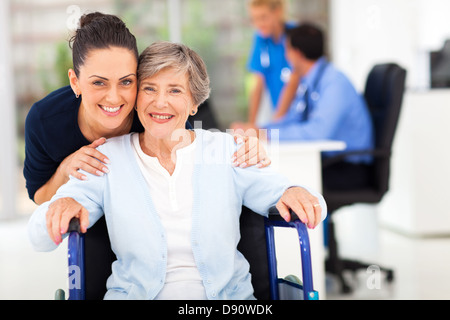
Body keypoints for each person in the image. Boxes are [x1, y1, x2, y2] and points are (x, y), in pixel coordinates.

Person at [28, 41, 327, 300]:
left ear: (194, 103)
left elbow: (310, 203)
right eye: (149, 89)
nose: (160, 102)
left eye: (174, 90)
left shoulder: (226, 151)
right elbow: (39, 236)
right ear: (136, 99)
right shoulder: (108, 158)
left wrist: (295, 192)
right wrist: (60, 206)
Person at [23, 12, 271, 206]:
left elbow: (198, 161)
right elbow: (40, 197)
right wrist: (67, 168)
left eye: (126, 81)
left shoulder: (153, 113)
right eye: (98, 82)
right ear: (75, 81)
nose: (113, 97)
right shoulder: (44, 121)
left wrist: (242, 153)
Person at [235, 23, 375, 189]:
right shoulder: (311, 81)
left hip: (349, 168)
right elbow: (293, 118)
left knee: (275, 183)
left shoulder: (334, 83)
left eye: (287, 50)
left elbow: (317, 132)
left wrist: (266, 135)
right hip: (330, 161)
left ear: (297, 53)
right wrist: (258, 129)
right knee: (269, 177)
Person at [245, 0, 300, 126]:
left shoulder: (295, 35)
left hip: (297, 113)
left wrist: (276, 122)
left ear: (278, 12)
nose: (259, 24)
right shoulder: (261, 39)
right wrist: (251, 124)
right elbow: (258, 83)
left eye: (263, 17)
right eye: (255, 19)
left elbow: (293, 81)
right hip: (278, 113)